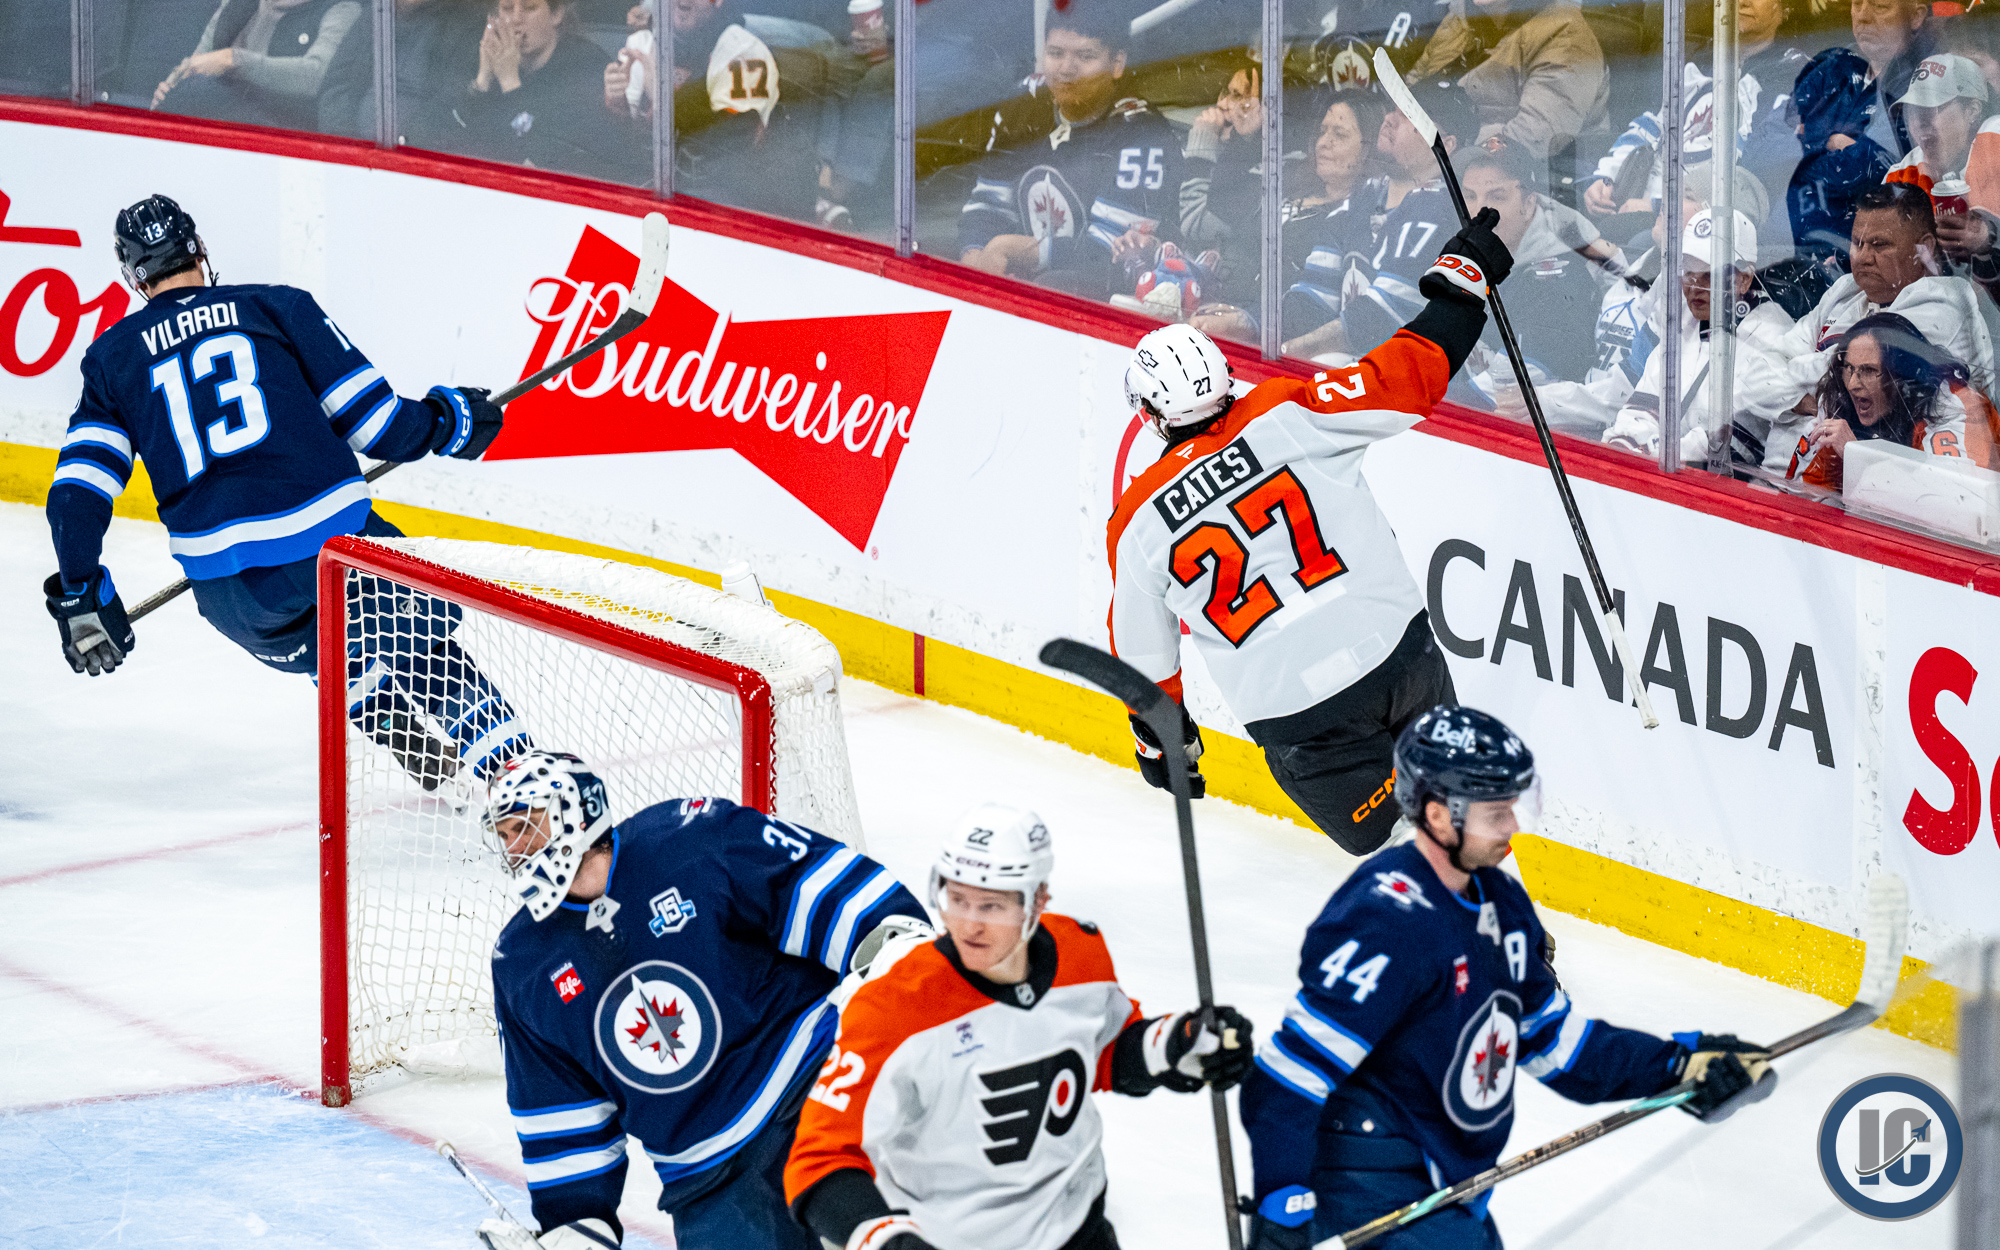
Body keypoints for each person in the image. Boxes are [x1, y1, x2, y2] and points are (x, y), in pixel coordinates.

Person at [1240, 705, 1777, 1250]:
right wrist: (1283, 1203)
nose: (1513, 826)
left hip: (1445, 1186)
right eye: (1495, 812)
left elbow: (1558, 1045)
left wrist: (1678, 1065)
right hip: (1372, 1185)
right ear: (1439, 815)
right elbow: (1292, 1071)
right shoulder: (1386, 919)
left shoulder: (1502, 904)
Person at [43, 195, 523, 791]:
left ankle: (405, 738)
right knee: (426, 651)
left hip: (232, 599)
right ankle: (520, 785)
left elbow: (78, 492)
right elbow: (379, 427)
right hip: (337, 553)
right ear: (199, 249)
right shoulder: (276, 306)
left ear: (134, 277)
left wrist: (79, 590)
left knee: (327, 643)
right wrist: (450, 421)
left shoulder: (110, 359)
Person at [1106, 207, 1513, 855]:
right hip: (1397, 655)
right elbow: (1408, 373)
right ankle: (1505, 912)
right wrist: (1461, 284)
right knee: (1460, 806)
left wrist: (1164, 743)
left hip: (1299, 714)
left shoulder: (1137, 521)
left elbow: (1145, 662)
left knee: (1403, 850)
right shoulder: (1285, 411)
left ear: (1149, 414)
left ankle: (1447, 914)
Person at [477, 753, 927, 1250]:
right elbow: (561, 1112)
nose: (516, 846)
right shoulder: (521, 963)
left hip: (816, 1089)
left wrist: (895, 952)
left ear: (578, 811)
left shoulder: (691, 838)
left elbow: (826, 893)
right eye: (505, 834)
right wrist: (574, 1226)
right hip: (707, 1181)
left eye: (527, 824)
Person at [783, 805, 1256, 1250]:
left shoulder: (1080, 953)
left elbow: (1102, 1051)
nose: (969, 925)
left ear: (1038, 901)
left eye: (992, 907)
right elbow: (818, 1159)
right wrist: (888, 1240)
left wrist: (1180, 1044)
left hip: (1080, 1228)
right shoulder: (893, 1009)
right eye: (957, 900)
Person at [956, 7, 1186, 301]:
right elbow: (987, 204)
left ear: (1117, 63)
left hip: (1108, 298)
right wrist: (976, 257)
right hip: (1024, 277)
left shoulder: (1141, 132)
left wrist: (1010, 248)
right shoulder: (1023, 102)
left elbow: (1111, 254)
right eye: (1055, 53)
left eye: (1085, 56)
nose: (1066, 69)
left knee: (1054, 284)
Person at [1742, 182, 1996, 428]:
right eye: (1857, 243)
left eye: (1879, 245)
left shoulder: (1945, 301)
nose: (1863, 257)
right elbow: (1755, 377)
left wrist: (1794, 375)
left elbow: (1853, 376)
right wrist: (1804, 401)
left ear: (1923, 249)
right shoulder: (1846, 291)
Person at [1581, 0, 1805, 253]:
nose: (1742, 2)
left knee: (1616, 240)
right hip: (1640, 206)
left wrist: (1658, 206)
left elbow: (1750, 175)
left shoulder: (1791, 76)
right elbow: (1652, 125)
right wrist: (1606, 178)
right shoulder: (1696, 61)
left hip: (1697, 222)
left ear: (1786, 10)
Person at [1281, 78, 1481, 361]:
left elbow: (1381, 316)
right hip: (1355, 370)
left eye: (1407, 115)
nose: (1388, 119)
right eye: (1393, 110)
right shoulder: (1363, 197)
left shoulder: (1443, 210)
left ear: (1443, 145)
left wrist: (1286, 351)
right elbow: (1311, 299)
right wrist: (1251, 326)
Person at [1189, 88, 1390, 345]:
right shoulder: (1291, 176)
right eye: (1322, 131)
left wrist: (1247, 320)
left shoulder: (1357, 221)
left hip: (1260, 337)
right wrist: (1246, 140)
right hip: (1211, 306)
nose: (1323, 142)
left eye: (1339, 134)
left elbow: (1308, 308)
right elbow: (1220, 206)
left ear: (1369, 149)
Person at [1599, 209, 1792, 466]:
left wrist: (1644, 451)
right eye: (1688, 272)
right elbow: (1642, 408)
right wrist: (1626, 442)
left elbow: (1726, 447)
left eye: (1709, 275)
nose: (1694, 287)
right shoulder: (1682, 317)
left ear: (1744, 280)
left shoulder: (1774, 337)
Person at [1780, 311, 1999, 487]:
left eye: (1869, 370)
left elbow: (1953, 505)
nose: (1853, 384)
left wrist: (1857, 456)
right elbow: (1804, 500)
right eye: (1849, 368)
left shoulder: (1952, 405)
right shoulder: (1840, 401)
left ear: (1902, 375)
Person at [433, 0, 629, 181]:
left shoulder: (585, 64)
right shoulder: (491, 59)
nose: (516, 19)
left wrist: (510, 82)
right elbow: (453, 140)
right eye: (507, 8)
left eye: (529, 8)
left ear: (556, 14)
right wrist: (482, 80)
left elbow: (547, 157)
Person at [1403, 0, 1608, 168]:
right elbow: (1413, 85)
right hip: (1434, 153)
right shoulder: (1463, 15)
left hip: (1521, 182)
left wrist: (1450, 163)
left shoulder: (1566, 40)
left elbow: (1528, 142)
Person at [153, 0, 364, 131]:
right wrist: (171, 88)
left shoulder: (342, 9)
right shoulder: (236, 4)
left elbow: (315, 75)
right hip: (211, 124)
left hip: (279, 137)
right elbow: (197, 61)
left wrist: (233, 60)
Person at [1885, 53, 1998, 199]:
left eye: (1930, 108)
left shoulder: (1995, 142)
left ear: (1972, 111)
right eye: (1912, 111)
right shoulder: (1904, 174)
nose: (1918, 123)